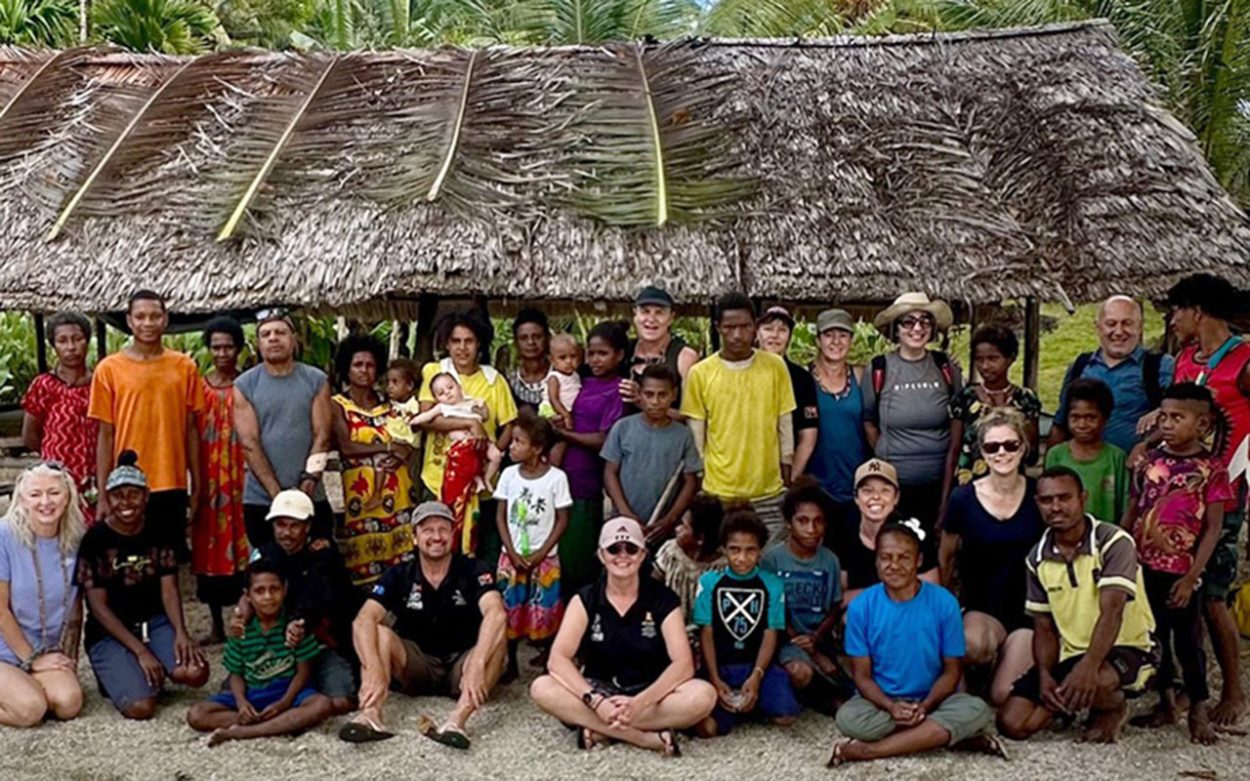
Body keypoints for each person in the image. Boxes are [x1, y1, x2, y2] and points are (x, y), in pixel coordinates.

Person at [997, 467, 1158, 743]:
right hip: (1071, 653)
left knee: (1097, 682)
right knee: (1012, 724)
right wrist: (1046, 675)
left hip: (1129, 648)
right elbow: (1044, 627)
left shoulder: (1113, 542)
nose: (1056, 507)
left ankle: (1112, 704)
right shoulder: (1037, 558)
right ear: (1037, 504)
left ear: (1083, 498)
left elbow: (1113, 612)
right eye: (1047, 500)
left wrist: (1088, 667)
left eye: (1064, 498)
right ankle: (1073, 701)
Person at [530, 517, 717, 755]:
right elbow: (558, 659)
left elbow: (683, 664)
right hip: (599, 691)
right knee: (541, 687)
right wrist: (596, 702)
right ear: (601, 555)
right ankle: (642, 738)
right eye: (613, 549)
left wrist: (640, 703)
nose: (622, 555)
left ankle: (602, 730)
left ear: (642, 555)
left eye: (631, 548)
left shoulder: (663, 598)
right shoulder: (585, 598)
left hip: (650, 693)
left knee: (703, 695)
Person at [829, 522, 1003, 766]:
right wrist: (891, 707)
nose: (894, 565)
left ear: (919, 560)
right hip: (881, 702)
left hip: (933, 700)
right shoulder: (861, 607)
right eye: (886, 558)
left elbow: (952, 670)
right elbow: (862, 677)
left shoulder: (944, 602)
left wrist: (926, 705)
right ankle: (947, 738)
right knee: (848, 718)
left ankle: (870, 751)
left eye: (904, 557)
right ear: (876, 561)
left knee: (976, 709)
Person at [341, 502, 506, 749]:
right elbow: (363, 620)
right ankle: (371, 714)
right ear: (415, 537)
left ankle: (458, 720)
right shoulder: (399, 573)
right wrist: (373, 668)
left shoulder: (473, 568)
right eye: (427, 530)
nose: (436, 536)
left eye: (443, 529)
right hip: (417, 663)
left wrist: (478, 663)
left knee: (498, 638)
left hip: (462, 665)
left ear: (453, 534)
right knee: (379, 634)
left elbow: (496, 613)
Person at [1121, 383, 1227, 743]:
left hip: (1182, 570)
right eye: (1163, 416)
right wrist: (1119, 549)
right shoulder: (1150, 461)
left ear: (1202, 424)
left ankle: (1198, 707)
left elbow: (1213, 529)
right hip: (1143, 565)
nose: (1166, 424)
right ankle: (1165, 701)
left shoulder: (1212, 469)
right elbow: (1135, 508)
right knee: (1154, 637)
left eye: (1177, 417)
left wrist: (1192, 576)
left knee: (1188, 640)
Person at [1167, 272, 1250, 725]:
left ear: (1198, 311)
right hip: (1181, 496)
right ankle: (1185, 688)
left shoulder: (1245, 359)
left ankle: (1233, 693)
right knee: (1180, 592)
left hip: (1229, 492)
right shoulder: (1183, 360)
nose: (1172, 319)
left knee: (1214, 593)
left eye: (1178, 310)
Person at [78, 452, 209, 719]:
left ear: (146, 496)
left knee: (196, 673)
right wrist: (140, 651)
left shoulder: (158, 530)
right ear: (108, 498)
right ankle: (127, 671)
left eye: (133, 494)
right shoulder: (95, 539)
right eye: (117, 495)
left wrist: (181, 632)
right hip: (110, 631)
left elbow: (169, 588)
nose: (126, 502)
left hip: (153, 622)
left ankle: (148, 666)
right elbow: (98, 607)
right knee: (141, 708)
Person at [938, 408, 1045, 705]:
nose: (1002, 453)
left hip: (1027, 610)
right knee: (973, 646)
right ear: (981, 452)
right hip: (981, 607)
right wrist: (945, 610)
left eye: (1011, 445)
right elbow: (946, 557)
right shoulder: (962, 498)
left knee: (1003, 697)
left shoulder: (1039, 496)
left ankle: (1003, 668)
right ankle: (978, 670)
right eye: (992, 446)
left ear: (1023, 448)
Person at [89, 290, 205, 558]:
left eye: (154, 316)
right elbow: (105, 435)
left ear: (165, 320)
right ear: (129, 321)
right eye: (140, 317)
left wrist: (197, 486)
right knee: (129, 562)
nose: (148, 323)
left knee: (167, 563)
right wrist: (104, 492)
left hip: (171, 480)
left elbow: (191, 430)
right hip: (125, 483)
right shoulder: (109, 369)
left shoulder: (184, 366)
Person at [236, 489, 361, 716]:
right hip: (274, 645)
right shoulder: (264, 555)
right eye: (280, 525)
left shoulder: (324, 555)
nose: (286, 533)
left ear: (308, 526)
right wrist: (240, 620)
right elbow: (248, 595)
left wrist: (298, 623)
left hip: (322, 642)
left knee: (341, 702)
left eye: (294, 526)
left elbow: (319, 596)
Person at [682, 294, 796, 538]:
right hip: (719, 491)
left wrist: (786, 472)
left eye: (744, 327)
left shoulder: (775, 366)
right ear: (718, 328)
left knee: (768, 562)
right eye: (729, 327)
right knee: (723, 564)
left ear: (754, 327)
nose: (737, 335)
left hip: (768, 490)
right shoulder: (700, 373)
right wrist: (702, 481)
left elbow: (784, 423)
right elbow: (697, 434)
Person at [187, 560, 333, 746]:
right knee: (197, 714)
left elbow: (303, 671)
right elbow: (236, 673)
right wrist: (241, 703)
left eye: (274, 589)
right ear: (248, 596)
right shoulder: (240, 630)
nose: (268, 597)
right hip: (253, 692)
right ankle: (275, 724)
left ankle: (245, 732)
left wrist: (284, 702)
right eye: (260, 591)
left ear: (284, 590)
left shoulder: (294, 626)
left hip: (288, 691)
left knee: (321, 705)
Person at [417, 311, 519, 560]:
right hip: (438, 476)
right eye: (456, 341)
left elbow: (509, 425)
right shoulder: (436, 372)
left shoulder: (494, 380)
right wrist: (469, 424)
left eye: (469, 341)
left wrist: (490, 453)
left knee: (474, 545)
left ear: (479, 344)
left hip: (478, 480)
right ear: (447, 344)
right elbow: (427, 418)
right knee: (436, 542)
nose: (462, 348)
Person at [862, 292, 963, 538]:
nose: (917, 328)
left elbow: (957, 422)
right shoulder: (878, 368)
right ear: (896, 330)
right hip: (894, 486)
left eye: (924, 322)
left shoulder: (945, 367)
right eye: (908, 322)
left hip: (940, 484)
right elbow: (869, 422)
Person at [234, 308, 334, 547]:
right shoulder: (244, 384)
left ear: (293, 339)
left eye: (280, 332)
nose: (273, 338)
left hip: (312, 494)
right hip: (261, 498)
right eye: (266, 334)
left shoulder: (315, 379)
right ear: (258, 343)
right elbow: (249, 443)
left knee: (318, 565)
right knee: (268, 571)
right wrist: (280, 497)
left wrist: (308, 483)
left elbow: (322, 436)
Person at [694, 510, 798, 737]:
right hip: (720, 666)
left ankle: (748, 704)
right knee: (708, 729)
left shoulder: (772, 584)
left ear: (761, 551)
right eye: (735, 550)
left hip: (755, 664)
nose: (742, 558)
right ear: (723, 549)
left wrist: (757, 675)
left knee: (787, 716)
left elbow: (771, 632)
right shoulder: (710, 582)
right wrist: (714, 677)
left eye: (750, 550)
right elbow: (706, 632)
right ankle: (738, 706)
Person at [0, 462, 85, 727]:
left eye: (54, 493)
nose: (45, 502)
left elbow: (76, 606)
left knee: (69, 703)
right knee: (30, 710)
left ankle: (22, 686)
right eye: (35, 494)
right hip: (5, 648)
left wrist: (68, 655)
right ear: (22, 499)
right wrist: (33, 660)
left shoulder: (76, 538)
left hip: (44, 646)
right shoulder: (3, 536)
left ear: (67, 495)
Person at [332, 335, 417, 587]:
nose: (364, 371)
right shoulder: (338, 405)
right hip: (362, 499)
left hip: (397, 492)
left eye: (370, 365)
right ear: (347, 368)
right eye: (358, 365)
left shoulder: (391, 404)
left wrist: (406, 452)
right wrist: (389, 446)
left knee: (401, 567)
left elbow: (408, 439)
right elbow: (347, 447)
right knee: (364, 571)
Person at [493, 413, 571, 680]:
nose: (511, 446)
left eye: (518, 441)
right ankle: (510, 662)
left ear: (537, 448)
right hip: (511, 557)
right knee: (510, 609)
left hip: (544, 558)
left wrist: (542, 552)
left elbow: (562, 520)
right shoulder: (508, 475)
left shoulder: (556, 479)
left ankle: (550, 659)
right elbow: (501, 515)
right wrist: (511, 552)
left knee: (545, 609)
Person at [760, 480, 846, 710]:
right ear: (789, 523)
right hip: (786, 640)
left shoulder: (830, 560)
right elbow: (772, 609)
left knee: (843, 671)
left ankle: (829, 686)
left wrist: (816, 639)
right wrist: (799, 640)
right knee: (800, 672)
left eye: (818, 522)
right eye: (803, 521)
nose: (811, 529)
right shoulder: (772, 560)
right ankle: (822, 698)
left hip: (820, 637)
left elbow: (835, 606)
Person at [1049, 295, 1173, 453]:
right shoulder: (1079, 366)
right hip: (1085, 470)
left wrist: (1161, 411)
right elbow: (1060, 423)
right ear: (1098, 327)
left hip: (1138, 468)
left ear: (1140, 327)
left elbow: (1181, 412)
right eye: (1111, 324)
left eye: (1127, 323)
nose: (1119, 332)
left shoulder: (1159, 366)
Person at [556, 321, 627, 593]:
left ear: (619, 355)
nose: (595, 359)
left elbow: (605, 440)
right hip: (558, 477)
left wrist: (563, 435)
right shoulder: (580, 382)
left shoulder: (618, 390)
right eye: (591, 353)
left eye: (603, 353)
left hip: (585, 483)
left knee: (578, 559)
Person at [193, 316, 250, 645]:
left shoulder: (249, 384)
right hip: (210, 479)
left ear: (239, 348)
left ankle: (244, 621)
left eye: (229, 346)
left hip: (242, 477)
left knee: (245, 544)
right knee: (209, 546)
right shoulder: (199, 387)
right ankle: (216, 625)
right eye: (217, 347)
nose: (223, 352)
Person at [603, 364, 702, 543]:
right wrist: (626, 513)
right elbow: (610, 472)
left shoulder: (683, 435)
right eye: (649, 395)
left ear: (674, 395)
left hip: (663, 528)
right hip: (624, 524)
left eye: (662, 395)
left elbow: (690, 481)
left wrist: (670, 519)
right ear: (639, 395)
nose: (655, 402)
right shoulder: (623, 428)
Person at [21, 312, 99, 523]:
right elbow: (29, 436)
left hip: (94, 481)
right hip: (56, 481)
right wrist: (55, 458)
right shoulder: (44, 385)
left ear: (87, 341)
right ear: (53, 346)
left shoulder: (100, 384)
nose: (71, 347)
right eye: (62, 341)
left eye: (77, 339)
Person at [832, 459, 938, 607]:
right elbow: (841, 597)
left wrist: (872, 594)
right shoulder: (843, 530)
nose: (876, 497)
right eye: (867, 490)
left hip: (910, 610)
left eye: (885, 490)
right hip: (864, 614)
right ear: (856, 497)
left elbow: (932, 589)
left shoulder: (913, 531)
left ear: (896, 497)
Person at [409, 372, 502, 541]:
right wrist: (414, 421)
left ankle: (485, 478)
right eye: (441, 393)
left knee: (496, 456)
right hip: (463, 445)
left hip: (481, 443)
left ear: (459, 387)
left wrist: (481, 409)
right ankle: (476, 477)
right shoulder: (442, 408)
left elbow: (485, 416)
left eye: (450, 388)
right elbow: (426, 418)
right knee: (464, 453)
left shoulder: (470, 401)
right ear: (437, 398)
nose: (448, 393)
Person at [948, 325, 1040, 486]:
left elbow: (1031, 454)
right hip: (969, 484)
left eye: (993, 359)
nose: (984, 366)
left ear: (1010, 358)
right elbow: (954, 452)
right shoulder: (965, 398)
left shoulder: (1025, 400)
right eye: (979, 359)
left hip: (1011, 486)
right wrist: (945, 502)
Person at [805, 308, 868, 544]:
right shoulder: (804, 378)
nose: (836, 341)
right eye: (829, 335)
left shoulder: (861, 376)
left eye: (843, 335)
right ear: (818, 340)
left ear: (851, 339)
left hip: (856, 485)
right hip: (817, 486)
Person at [1044, 378, 1129, 523]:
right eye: (1075, 418)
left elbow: (1125, 505)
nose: (1082, 425)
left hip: (1105, 538)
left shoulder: (1117, 457)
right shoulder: (1056, 455)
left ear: (1105, 419)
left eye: (1090, 418)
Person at [756, 306, 820, 478]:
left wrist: (790, 479)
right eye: (768, 329)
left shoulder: (801, 378)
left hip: (783, 473)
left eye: (782, 330)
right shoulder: (740, 372)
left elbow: (807, 436)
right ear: (757, 333)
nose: (774, 335)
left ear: (790, 337)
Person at [652, 496, 726, 627]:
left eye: (684, 527)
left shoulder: (722, 569)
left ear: (700, 539)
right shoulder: (671, 552)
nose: (677, 529)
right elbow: (652, 585)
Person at [622, 285, 701, 408]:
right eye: (645, 311)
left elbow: (690, 413)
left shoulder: (685, 356)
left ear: (671, 318)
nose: (651, 319)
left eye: (659, 313)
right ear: (635, 315)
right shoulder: (623, 350)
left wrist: (642, 402)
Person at [506, 308, 552, 413]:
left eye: (537, 336)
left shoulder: (563, 377)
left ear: (547, 338)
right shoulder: (508, 382)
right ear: (515, 343)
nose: (531, 342)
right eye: (523, 338)